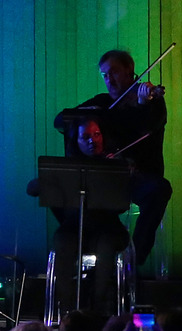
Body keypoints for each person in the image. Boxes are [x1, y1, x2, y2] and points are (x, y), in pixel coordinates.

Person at [56, 49, 171, 266]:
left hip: (138, 176)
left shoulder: (151, 101)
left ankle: (135, 259)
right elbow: (61, 120)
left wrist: (143, 105)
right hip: (105, 176)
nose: (109, 80)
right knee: (66, 189)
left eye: (114, 73)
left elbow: (148, 126)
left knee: (160, 189)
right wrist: (93, 116)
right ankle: (84, 246)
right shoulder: (102, 103)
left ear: (130, 71)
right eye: (105, 75)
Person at [52, 117, 130, 315]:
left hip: (108, 228)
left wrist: (117, 173)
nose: (92, 140)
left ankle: (97, 311)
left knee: (106, 246)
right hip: (75, 228)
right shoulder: (69, 168)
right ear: (75, 141)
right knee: (63, 241)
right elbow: (34, 188)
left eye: (96, 134)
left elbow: (122, 204)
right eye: (85, 137)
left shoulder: (114, 162)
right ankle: (68, 313)